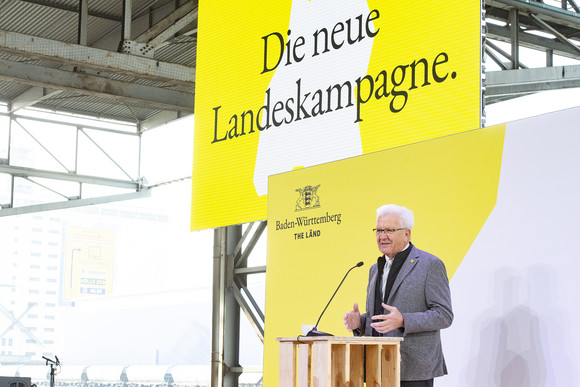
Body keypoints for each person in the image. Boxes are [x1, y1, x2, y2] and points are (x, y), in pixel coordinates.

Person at [343, 204, 453, 387]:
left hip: (413, 368)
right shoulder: (374, 269)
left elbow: (444, 315)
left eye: (389, 230)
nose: (382, 236)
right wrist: (360, 323)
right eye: (378, 230)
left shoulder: (430, 265)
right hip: (376, 366)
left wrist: (404, 320)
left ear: (406, 234)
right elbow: (381, 316)